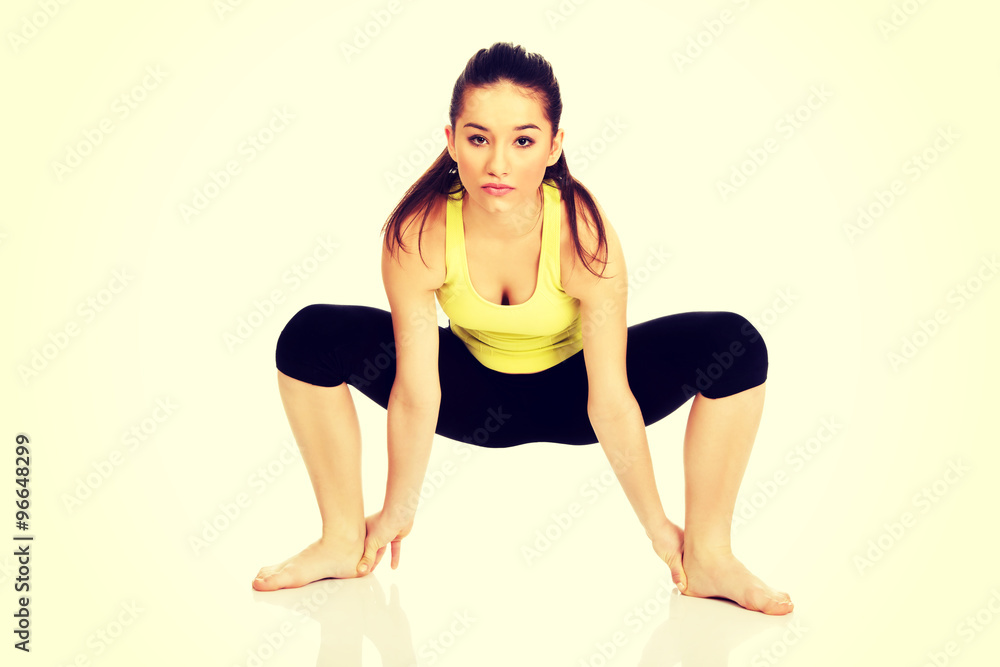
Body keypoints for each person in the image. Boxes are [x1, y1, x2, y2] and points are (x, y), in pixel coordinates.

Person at [252, 42, 793, 616]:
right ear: (451, 140)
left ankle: (708, 556)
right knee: (310, 336)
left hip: (575, 396)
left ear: (555, 145)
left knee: (734, 345)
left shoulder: (583, 236)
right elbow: (416, 389)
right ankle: (341, 541)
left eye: (524, 141)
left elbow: (611, 400)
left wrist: (659, 529)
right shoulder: (419, 233)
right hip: (470, 394)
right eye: (479, 138)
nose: (499, 164)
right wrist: (397, 508)